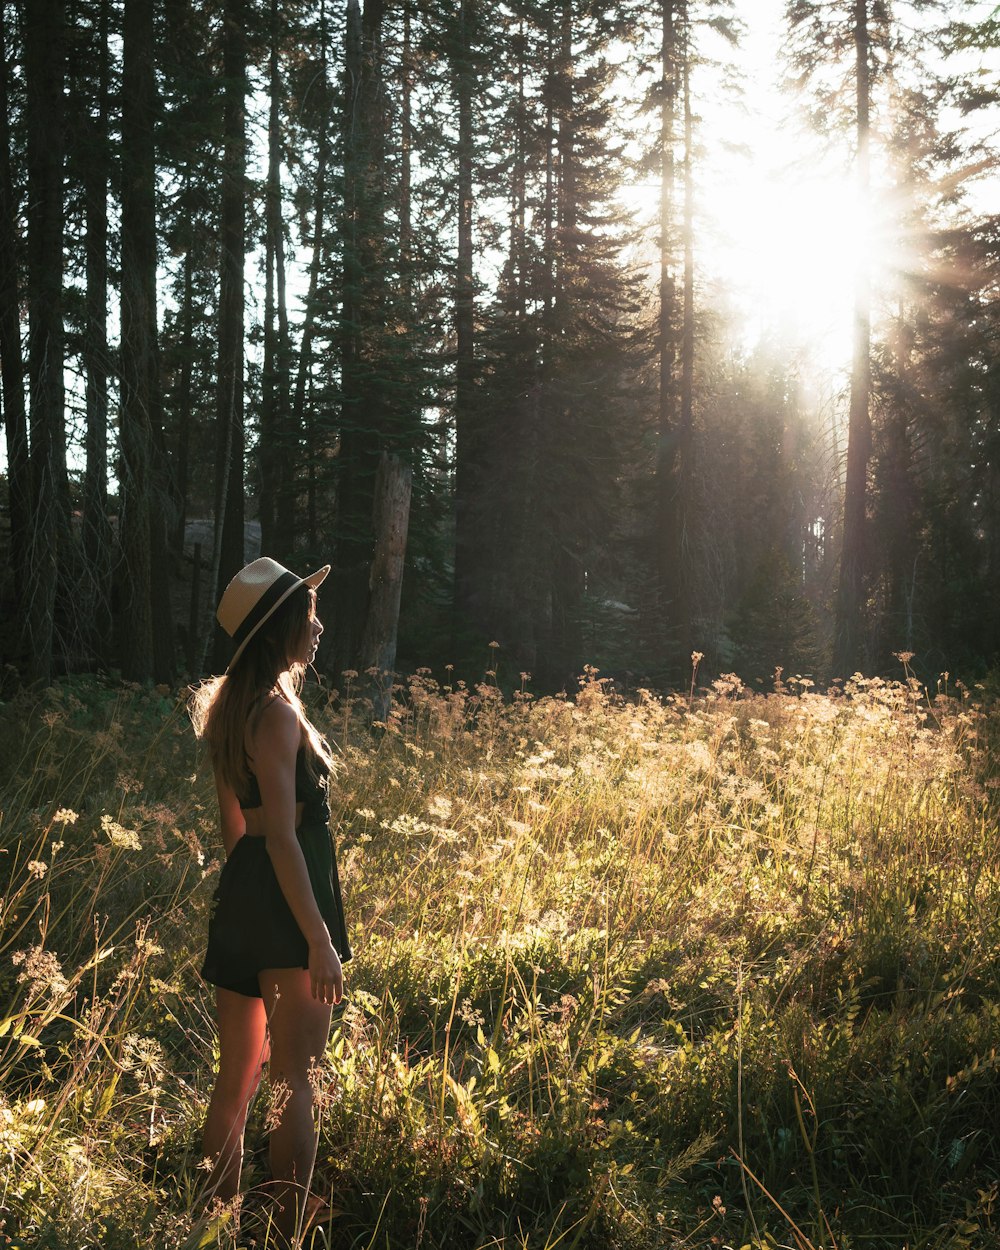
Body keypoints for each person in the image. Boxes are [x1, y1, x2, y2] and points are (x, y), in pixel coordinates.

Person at [189, 556, 352, 1246]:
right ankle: (284, 1235)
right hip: (290, 907)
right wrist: (316, 938)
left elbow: (239, 830)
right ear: (282, 626)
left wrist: (246, 904)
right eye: (307, 614)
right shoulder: (279, 715)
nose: (318, 625)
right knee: (296, 1083)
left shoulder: (229, 710)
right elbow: (284, 837)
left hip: (245, 898)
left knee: (235, 1081)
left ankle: (212, 1226)